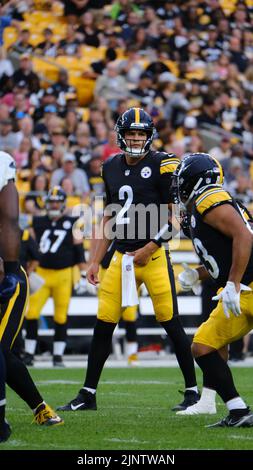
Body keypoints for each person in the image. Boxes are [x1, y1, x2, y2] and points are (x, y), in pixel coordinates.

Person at [57, 107, 198, 412]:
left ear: (149, 136)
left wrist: (149, 248)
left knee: (171, 324)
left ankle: (192, 391)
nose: (135, 139)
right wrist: (94, 260)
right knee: (103, 324)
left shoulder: (162, 164)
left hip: (155, 255)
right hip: (121, 257)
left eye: (141, 134)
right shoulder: (109, 166)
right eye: (131, 133)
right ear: (121, 135)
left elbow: (175, 218)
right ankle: (87, 394)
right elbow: (107, 217)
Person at [172, 152, 253, 426]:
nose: (177, 185)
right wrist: (198, 274)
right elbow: (225, 254)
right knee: (204, 346)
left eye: (181, 179)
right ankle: (239, 410)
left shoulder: (209, 197)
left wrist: (233, 282)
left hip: (245, 286)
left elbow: (244, 235)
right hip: (242, 292)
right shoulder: (198, 209)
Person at [0, 151, 63, 429]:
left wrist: (11, 269)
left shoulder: (4, 175)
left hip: (6, 277)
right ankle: (42, 409)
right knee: (4, 352)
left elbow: (11, 222)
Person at [23, 186, 86, 367]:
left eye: (57, 201)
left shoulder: (73, 222)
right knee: (32, 313)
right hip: (41, 273)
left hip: (63, 274)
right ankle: (29, 353)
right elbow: (28, 244)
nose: (54, 204)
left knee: (60, 316)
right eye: (51, 201)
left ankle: (58, 356)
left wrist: (83, 272)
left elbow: (78, 249)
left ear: (63, 203)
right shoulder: (37, 221)